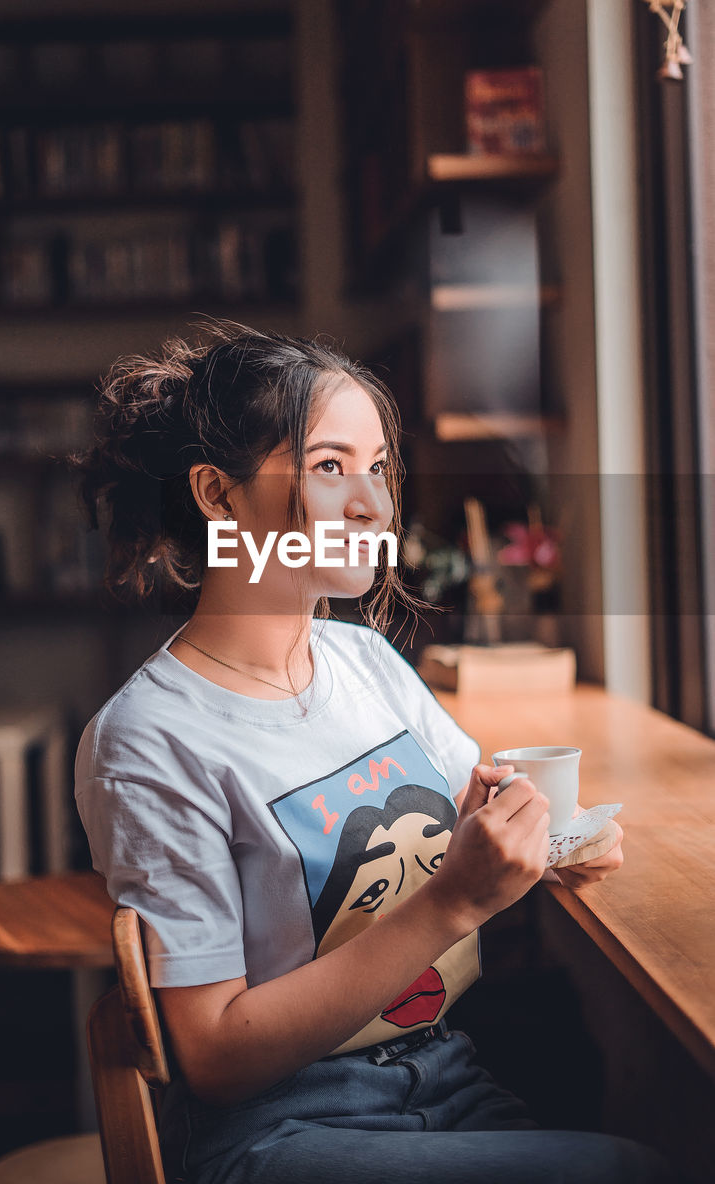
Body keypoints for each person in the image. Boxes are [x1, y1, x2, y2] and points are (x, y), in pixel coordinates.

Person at [73, 321, 675, 1184]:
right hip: (279, 1131)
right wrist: (452, 902)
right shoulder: (148, 740)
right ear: (217, 494)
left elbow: (478, 809)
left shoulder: (364, 662)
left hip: (445, 1073)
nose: (374, 505)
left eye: (379, 467)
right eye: (328, 468)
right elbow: (211, 1057)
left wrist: (553, 838)